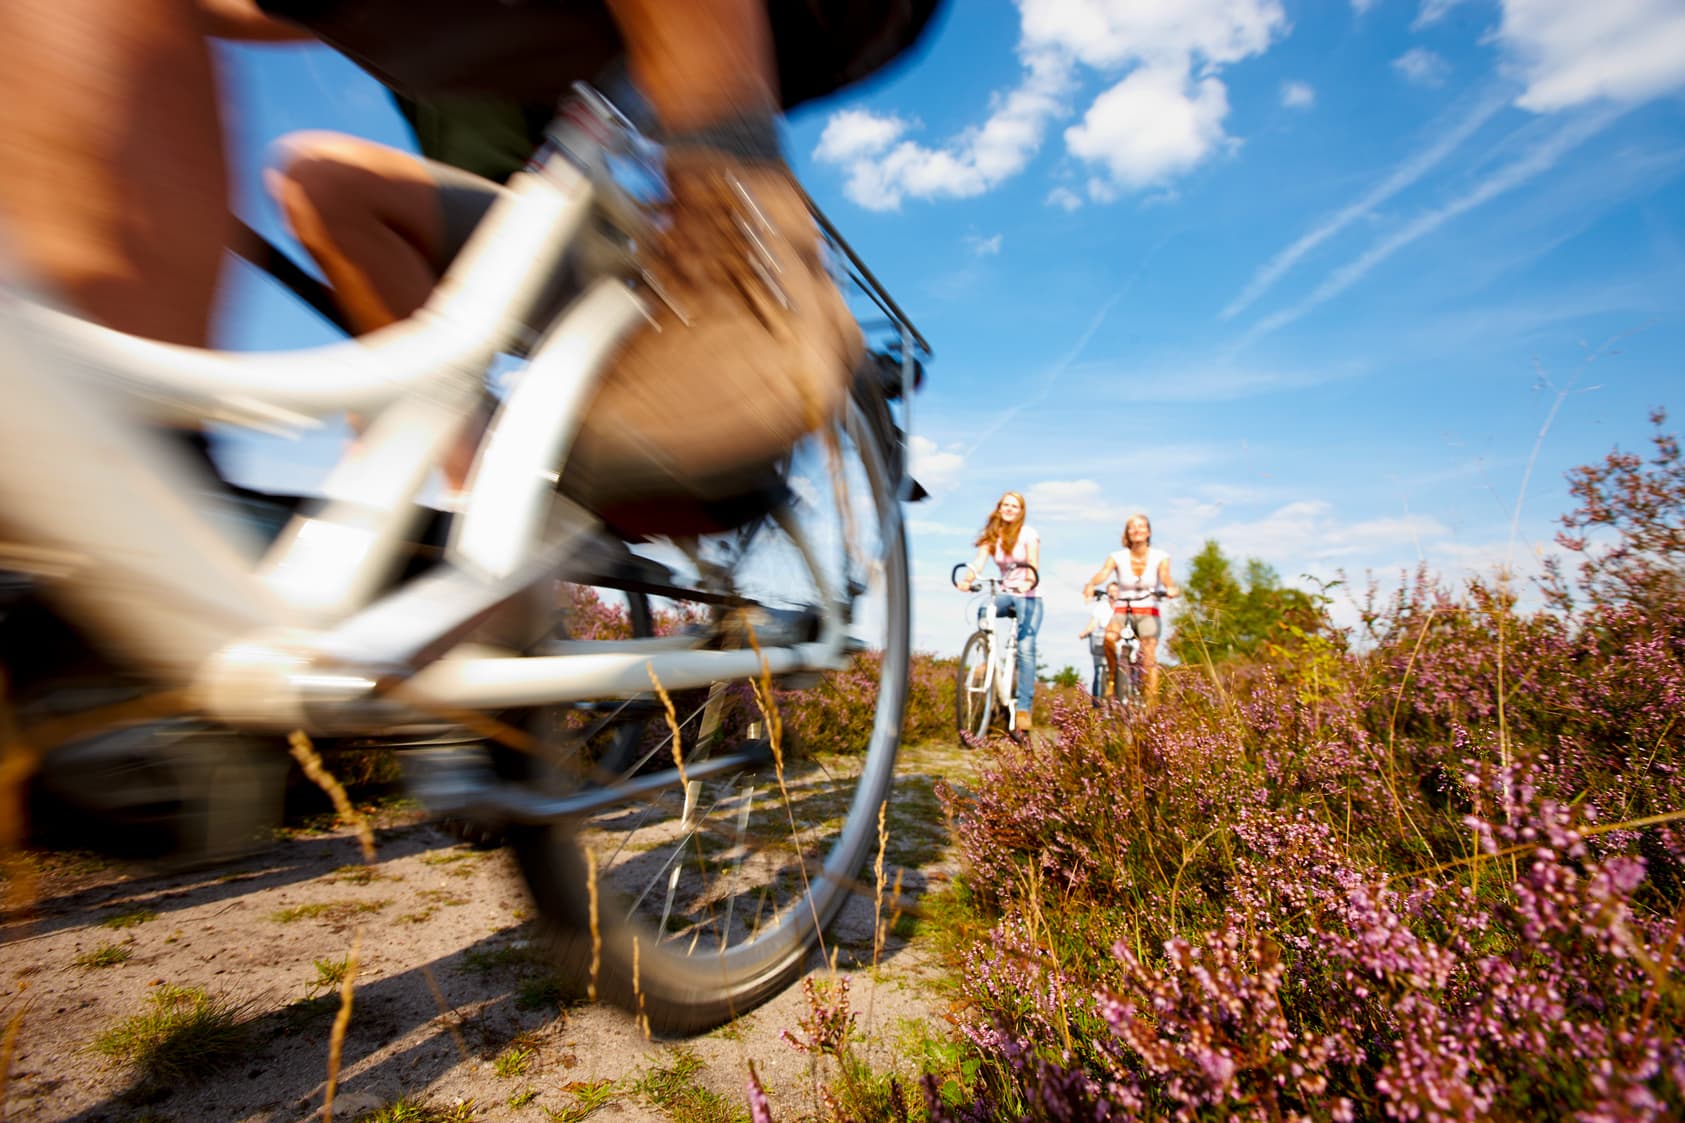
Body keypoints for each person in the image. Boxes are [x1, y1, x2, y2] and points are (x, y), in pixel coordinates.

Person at [0, 0, 940, 529]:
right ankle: (124, 496)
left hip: (637, 216)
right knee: (322, 180)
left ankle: (741, 228)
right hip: (510, 234)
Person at [955, 491, 1040, 743]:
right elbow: (978, 563)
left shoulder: (1028, 534)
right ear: (999, 508)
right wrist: (968, 579)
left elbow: (1033, 563)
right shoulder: (993, 535)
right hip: (1005, 593)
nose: (1009, 509)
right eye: (1006, 505)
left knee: (1025, 648)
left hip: (1029, 596)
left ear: (1021, 511)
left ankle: (1023, 709)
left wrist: (1028, 581)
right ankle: (987, 657)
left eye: (1015, 506)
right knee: (985, 609)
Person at [1082, 513, 1179, 705]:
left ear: (1148, 532)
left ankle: (1151, 705)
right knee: (1109, 638)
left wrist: (1170, 587)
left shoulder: (1160, 557)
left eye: (1141, 526)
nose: (1137, 530)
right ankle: (1112, 676)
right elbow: (1103, 573)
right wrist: (1091, 584)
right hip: (1123, 608)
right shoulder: (1117, 557)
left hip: (1148, 609)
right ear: (1127, 533)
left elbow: (1165, 576)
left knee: (1148, 656)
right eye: (1132, 527)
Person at [1077, 581, 1121, 708]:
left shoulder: (1123, 606)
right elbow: (1093, 623)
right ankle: (1096, 705)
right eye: (1110, 591)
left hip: (1119, 644)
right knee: (1099, 670)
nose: (1113, 593)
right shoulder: (1102, 607)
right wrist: (1084, 632)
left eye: (1115, 591)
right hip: (1101, 642)